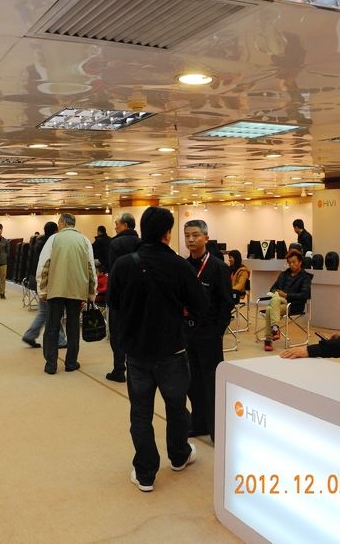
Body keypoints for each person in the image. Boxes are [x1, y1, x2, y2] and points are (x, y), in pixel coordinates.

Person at [108, 207, 208, 492]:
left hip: (136, 352)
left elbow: (113, 303)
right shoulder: (179, 266)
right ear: (167, 233)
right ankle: (179, 455)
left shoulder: (124, 265)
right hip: (172, 350)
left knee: (140, 413)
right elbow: (200, 306)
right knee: (176, 407)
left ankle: (145, 473)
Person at [183, 220, 233, 441]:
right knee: (192, 382)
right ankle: (199, 423)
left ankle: (216, 429)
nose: (191, 240)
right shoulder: (184, 266)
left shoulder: (217, 267)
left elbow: (226, 303)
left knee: (211, 381)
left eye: (195, 235)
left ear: (206, 237)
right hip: (187, 332)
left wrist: (218, 331)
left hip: (209, 333)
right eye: (187, 235)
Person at [36, 213, 96, 375]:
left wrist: (42, 290)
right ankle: (71, 362)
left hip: (56, 289)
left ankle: (51, 364)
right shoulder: (84, 240)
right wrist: (91, 292)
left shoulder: (53, 239)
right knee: (73, 327)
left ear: (62, 223)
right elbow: (91, 268)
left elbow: (44, 266)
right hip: (77, 290)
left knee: (52, 326)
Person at [105, 212, 141, 383]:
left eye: (117, 224)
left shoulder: (115, 243)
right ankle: (136, 368)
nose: (115, 227)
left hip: (120, 297)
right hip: (138, 296)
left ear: (125, 225)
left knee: (117, 334)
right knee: (136, 331)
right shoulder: (141, 243)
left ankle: (119, 369)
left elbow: (113, 272)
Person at [22, 221, 66, 349]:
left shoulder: (38, 243)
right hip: (48, 282)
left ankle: (31, 335)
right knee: (53, 312)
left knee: (44, 312)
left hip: (37, 280)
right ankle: (59, 340)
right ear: (56, 231)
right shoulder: (52, 244)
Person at [262, 249, 312, 351]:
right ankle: (275, 328)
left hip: (293, 305)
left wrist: (286, 295)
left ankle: (268, 339)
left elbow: (304, 295)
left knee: (270, 308)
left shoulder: (305, 277)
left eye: (294, 262)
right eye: (289, 262)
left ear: (300, 262)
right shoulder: (283, 274)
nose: (291, 265)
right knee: (272, 305)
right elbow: (273, 288)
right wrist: (277, 293)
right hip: (280, 302)